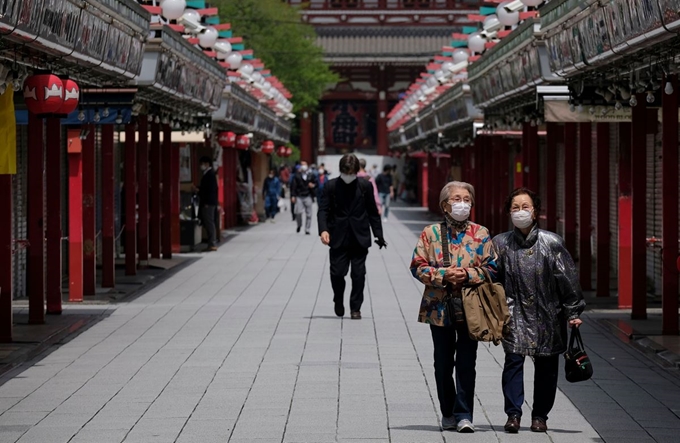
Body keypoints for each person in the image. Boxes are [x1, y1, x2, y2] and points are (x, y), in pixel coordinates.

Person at [492, 187, 585, 434]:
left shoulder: (552, 243)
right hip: (514, 314)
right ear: (508, 212)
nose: (520, 212)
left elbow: (568, 280)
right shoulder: (500, 244)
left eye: (525, 207)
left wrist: (573, 312)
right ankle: (513, 413)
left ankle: (540, 415)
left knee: (546, 367)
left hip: (548, 315)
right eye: (515, 208)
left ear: (535, 212)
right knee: (512, 362)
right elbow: (492, 279)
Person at [409, 181, 497, 433]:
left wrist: (469, 275)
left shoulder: (481, 233)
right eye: (457, 199)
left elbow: (493, 267)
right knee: (443, 362)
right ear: (444, 205)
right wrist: (442, 276)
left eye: (467, 199)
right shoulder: (431, 233)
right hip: (439, 307)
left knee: (468, 362)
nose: (462, 203)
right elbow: (417, 266)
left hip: (473, 308)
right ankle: (447, 411)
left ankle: (464, 414)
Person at [318, 154, 386, 320]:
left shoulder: (365, 186)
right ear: (341, 171)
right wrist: (323, 230)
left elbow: (372, 212)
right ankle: (338, 299)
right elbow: (323, 210)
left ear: (356, 171)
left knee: (358, 274)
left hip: (359, 237)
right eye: (346, 172)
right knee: (337, 273)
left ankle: (356, 308)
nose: (348, 175)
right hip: (337, 236)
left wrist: (379, 235)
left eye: (351, 172)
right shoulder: (331, 186)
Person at [195, 156, 219, 251]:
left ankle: (212, 243)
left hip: (208, 203)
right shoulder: (208, 174)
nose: (201, 166)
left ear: (207, 164)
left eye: (202, 164)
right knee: (209, 222)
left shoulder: (210, 174)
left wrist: (199, 191)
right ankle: (211, 243)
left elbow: (209, 190)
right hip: (208, 202)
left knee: (209, 222)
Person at [291, 161, 317, 234]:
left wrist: (313, 185)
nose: (303, 166)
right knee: (298, 212)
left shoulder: (311, 175)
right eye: (302, 165)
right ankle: (299, 224)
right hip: (299, 196)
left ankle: (307, 229)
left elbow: (316, 183)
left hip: (308, 195)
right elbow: (293, 186)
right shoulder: (297, 175)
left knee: (309, 214)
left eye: (304, 164)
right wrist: (293, 195)